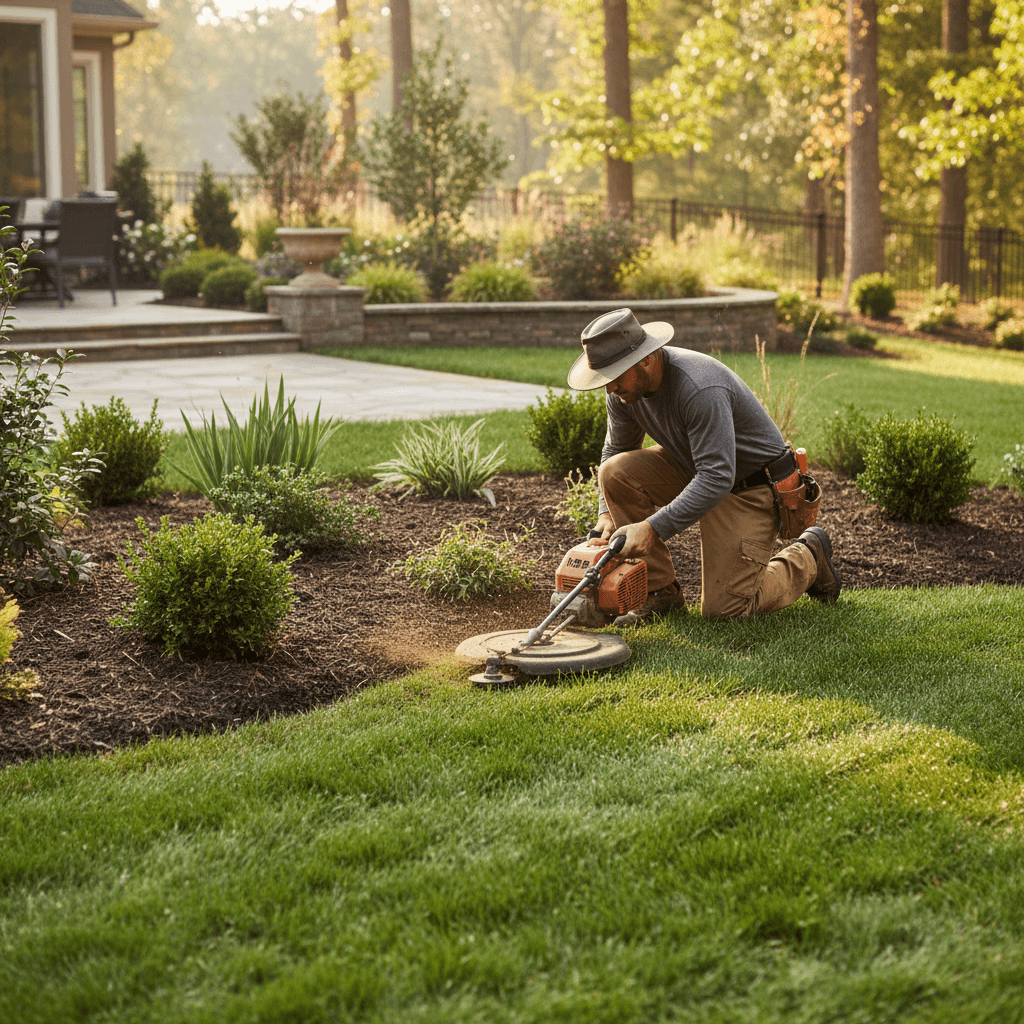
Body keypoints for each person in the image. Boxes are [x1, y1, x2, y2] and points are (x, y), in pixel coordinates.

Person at [568, 307, 841, 623]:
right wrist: (606, 515)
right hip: (701, 467)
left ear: (645, 359)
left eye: (614, 377)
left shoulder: (698, 385)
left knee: (724, 611)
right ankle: (660, 595)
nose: (609, 388)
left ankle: (808, 555)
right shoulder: (624, 391)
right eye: (604, 378)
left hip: (752, 485)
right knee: (615, 472)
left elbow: (717, 476)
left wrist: (653, 528)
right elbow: (617, 448)